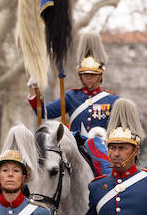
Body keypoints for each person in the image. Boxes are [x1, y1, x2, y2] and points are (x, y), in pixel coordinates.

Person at [27, 31, 119, 173]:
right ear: (80, 75)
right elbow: (45, 112)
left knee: (109, 170)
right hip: (76, 147)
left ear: (100, 75)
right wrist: (34, 90)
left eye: (92, 75)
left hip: (102, 148)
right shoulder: (71, 96)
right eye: (85, 74)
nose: (89, 78)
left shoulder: (112, 100)